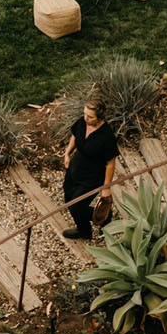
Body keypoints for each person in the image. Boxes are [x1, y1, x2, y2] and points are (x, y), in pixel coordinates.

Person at [62, 98, 117, 240]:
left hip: (93, 176)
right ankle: (85, 230)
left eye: (90, 116)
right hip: (76, 167)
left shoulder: (107, 136)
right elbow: (75, 136)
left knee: (77, 206)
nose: (86, 118)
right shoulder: (83, 122)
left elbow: (111, 163)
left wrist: (106, 187)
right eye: (85, 114)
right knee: (68, 199)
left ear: (100, 117)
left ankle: (103, 218)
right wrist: (67, 153)